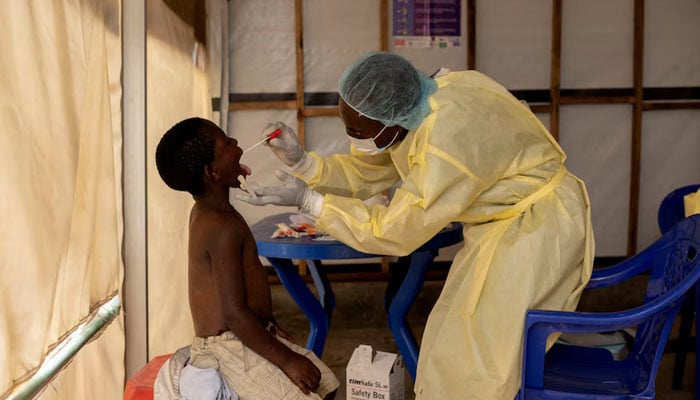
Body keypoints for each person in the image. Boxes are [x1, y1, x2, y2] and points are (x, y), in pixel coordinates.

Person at [235, 52, 594, 399]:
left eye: (356, 130)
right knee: (451, 344)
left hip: (536, 228)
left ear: (390, 121)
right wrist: (307, 166)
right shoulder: (427, 99)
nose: (352, 137)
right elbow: (372, 167)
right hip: (505, 225)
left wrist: (311, 202)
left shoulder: (446, 142)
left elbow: (395, 231)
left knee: (484, 362)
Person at [155, 117, 339, 400]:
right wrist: (286, 360)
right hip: (227, 347)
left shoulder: (211, 213)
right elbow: (234, 314)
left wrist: (268, 323)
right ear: (213, 172)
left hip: (245, 334)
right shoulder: (220, 226)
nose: (238, 145)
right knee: (308, 388)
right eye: (228, 143)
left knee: (325, 383)